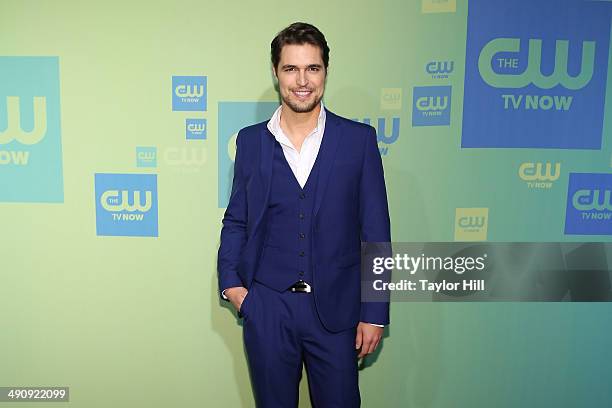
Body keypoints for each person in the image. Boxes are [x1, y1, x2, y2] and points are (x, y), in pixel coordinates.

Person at [217, 22, 391, 407]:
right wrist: (233, 286)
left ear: (325, 72)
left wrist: (374, 313)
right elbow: (237, 220)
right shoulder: (250, 142)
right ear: (276, 73)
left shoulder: (357, 141)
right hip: (268, 309)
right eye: (291, 69)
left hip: (336, 313)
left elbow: (375, 233)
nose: (302, 81)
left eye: (312, 68)